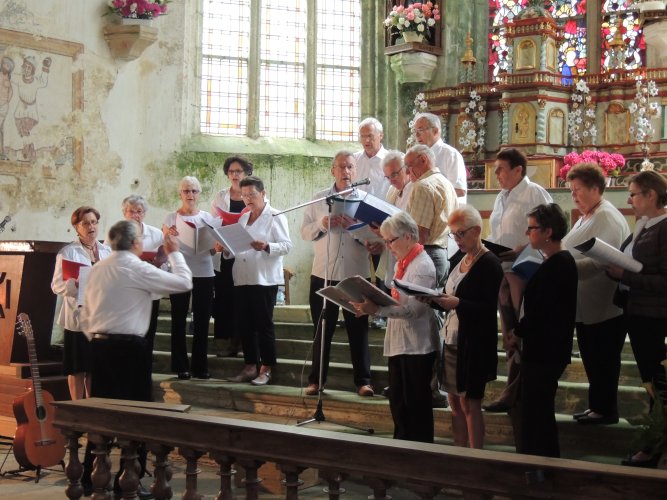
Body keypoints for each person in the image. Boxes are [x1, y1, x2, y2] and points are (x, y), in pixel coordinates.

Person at [80, 219, 192, 498]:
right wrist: (175, 253)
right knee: (136, 416)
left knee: (100, 414)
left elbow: (84, 312)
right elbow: (184, 282)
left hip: (99, 346)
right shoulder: (136, 267)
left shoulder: (97, 269)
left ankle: (89, 478)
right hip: (130, 350)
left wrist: (95, 338)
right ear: (135, 243)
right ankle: (127, 481)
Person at [350, 211, 439, 443]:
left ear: (408, 236)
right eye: (386, 241)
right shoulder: (402, 262)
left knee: (416, 406)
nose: (388, 247)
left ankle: (420, 452)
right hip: (399, 343)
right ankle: (401, 449)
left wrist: (377, 310)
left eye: (391, 241)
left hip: (418, 345)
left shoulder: (422, 266)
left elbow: (415, 310)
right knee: (399, 403)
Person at [482, 148, 552, 414]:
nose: (496, 174)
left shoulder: (534, 193)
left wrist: (523, 248)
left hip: (526, 271)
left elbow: (551, 229)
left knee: (522, 331)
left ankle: (518, 392)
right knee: (510, 333)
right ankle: (513, 390)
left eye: (501, 169)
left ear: (518, 170)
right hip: (504, 270)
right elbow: (498, 231)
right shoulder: (501, 196)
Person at [427, 206, 503, 449]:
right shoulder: (459, 259)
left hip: (475, 343)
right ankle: (459, 451)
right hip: (452, 338)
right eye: (453, 234)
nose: (457, 239)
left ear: (477, 231)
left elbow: (488, 308)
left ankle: (475, 456)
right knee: (454, 402)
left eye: (461, 233)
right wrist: (430, 298)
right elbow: (449, 295)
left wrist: (458, 303)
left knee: (470, 403)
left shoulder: (489, 263)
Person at [301, 151, 374, 397]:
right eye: (341, 167)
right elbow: (304, 232)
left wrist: (356, 230)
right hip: (323, 273)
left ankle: (363, 381)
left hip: (356, 275)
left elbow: (376, 236)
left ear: (357, 170)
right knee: (322, 329)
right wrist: (322, 223)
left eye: (350, 166)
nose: (346, 171)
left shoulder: (366, 201)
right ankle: (316, 381)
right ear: (332, 170)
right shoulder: (319, 198)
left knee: (358, 330)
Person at [606, 171, 667, 468]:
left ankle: (654, 447)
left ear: (651, 195)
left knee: (658, 381)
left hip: (654, 316)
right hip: (637, 312)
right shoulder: (644, 225)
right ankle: (654, 444)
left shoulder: (664, 228)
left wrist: (625, 275)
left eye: (633, 194)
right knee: (650, 380)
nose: (629, 200)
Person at [562, 163, 629, 425]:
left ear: (594, 188)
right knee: (592, 358)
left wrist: (564, 269)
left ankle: (606, 410)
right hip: (586, 305)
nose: (573, 195)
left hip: (604, 306)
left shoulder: (606, 216)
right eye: (571, 190)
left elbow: (602, 260)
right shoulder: (588, 215)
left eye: (577, 189)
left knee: (604, 359)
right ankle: (597, 406)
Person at [513, 203, 577, 458]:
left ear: (548, 232)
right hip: (544, 348)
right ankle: (538, 464)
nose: (527, 233)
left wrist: (517, 332)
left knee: (537, 413)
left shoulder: (559, 264)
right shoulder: (554, 262)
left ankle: (542, 467)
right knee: (535, 411)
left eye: (532, 228)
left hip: (545, 350)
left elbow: (542, 310)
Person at [225, 176, 292, 385]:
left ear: (263, 193)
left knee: (263, 325)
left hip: (264, 279)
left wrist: (266, 246)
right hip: (243, 276)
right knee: (245, 324)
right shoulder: (243, 218)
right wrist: (225, 249)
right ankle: (250, 366)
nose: (248, 199)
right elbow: (238, 248)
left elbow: (287, 245)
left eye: (252, 194)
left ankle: (266, 368)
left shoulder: (275, 216)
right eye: (244, 195)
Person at [51, 206, 111, 400]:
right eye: (85, 223)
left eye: (94, 222)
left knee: (95, 367)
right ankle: (76, 409)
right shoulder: (68, 252)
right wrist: (74, 284)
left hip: (101, 318)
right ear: (77, 227)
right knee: (77, 368)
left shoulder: (107, 251)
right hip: (78, 319)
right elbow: (56, 286)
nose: (91, 227)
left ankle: (91, 409)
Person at [163, 176, 217, 380]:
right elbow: (166, 247)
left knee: (202, 320)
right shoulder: (171, 218)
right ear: (180, 194)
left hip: (204, 271)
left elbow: (213, 250)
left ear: (199, 194)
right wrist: (169, 237)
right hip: (179, 272)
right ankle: (180, 366)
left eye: (194, 191)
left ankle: (200, 367)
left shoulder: (208, 218)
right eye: (186, 191)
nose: (190, 194)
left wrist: (214, 246)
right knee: (178, 319)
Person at [210, 155, 252, 357]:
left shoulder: (253, 194)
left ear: (246, 173)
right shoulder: (221, 196)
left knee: (243, 300)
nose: (235, 175)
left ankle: (243, 343)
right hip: (226, 253)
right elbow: (213, 222)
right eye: (231, 171)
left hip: (246, 254)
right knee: (225, 298)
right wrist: (217, 239)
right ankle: (227, 343)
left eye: (238, 171)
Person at [404, 144, 458, 289]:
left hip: (427, 255)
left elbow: (420, 234)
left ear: (423, 159)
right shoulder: (446, 183)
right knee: (435, 300)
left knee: (420, 303)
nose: (407, 172)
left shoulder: (423, 186)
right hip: (444, 253)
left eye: (409, 166)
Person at [412, 112, 467, 204]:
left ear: (435, 131)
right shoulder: (417, 156)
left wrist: (427, 194)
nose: (417, 135)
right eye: (415, 131)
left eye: (420, 130)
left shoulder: (450, 154)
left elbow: (460, 190)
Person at [354, 117, 390, 199]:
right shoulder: (354, 160)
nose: (366, 140)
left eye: (370, 136)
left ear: (381, 135)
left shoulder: (390, 160)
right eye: (362, 136)